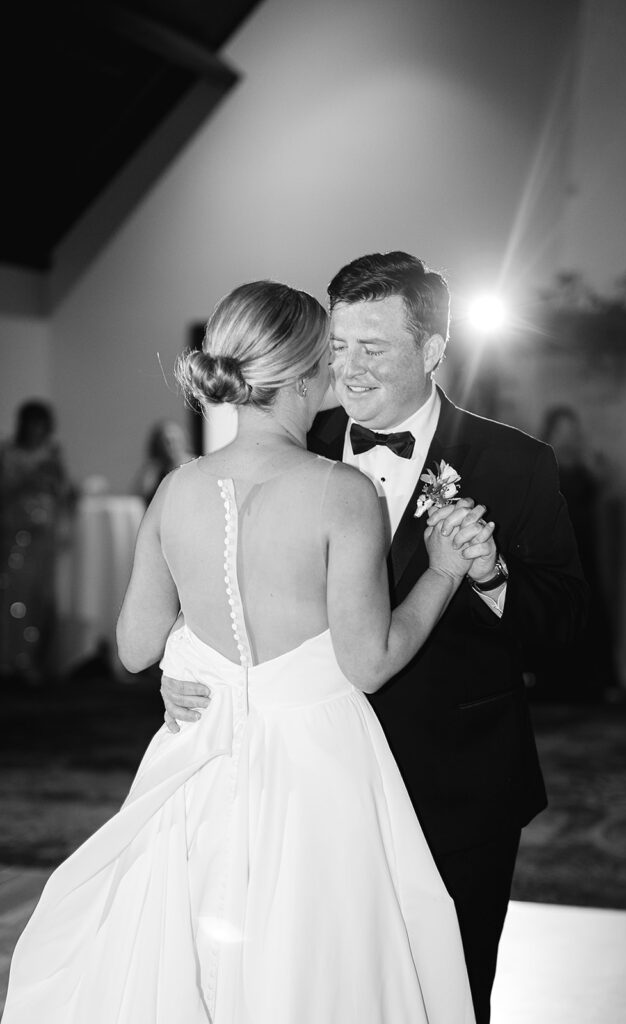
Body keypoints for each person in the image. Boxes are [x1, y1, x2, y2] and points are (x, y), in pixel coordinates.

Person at [2, 280, 484, 1023]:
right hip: (316, 764)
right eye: (327, 352)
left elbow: (133, 648)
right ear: (299, 375)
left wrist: (190, 662)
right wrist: (445, 575)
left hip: (200, 755)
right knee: (313, 958)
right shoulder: (341, 491)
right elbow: (370, 660)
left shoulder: (176, 489)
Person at [162, 252, 589, 1024]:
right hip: (309, 790)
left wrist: (492, 579)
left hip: (455, 791)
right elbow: (214, 571)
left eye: (373, 349)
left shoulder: (514, 464)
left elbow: (567, 633)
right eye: (336, 347)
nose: (346, 371)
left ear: (431, 351)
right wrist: (183, 659)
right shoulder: (290, 443)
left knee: (447, 1000)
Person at [533, 405, 622, 701]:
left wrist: (595, 467)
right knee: (555, 611)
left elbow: (603, 492)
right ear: (552, 431)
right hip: (555, 551)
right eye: (563, 429)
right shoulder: (542, 462)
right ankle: (553, 684)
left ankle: (594, 684)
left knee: (589, 611)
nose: (569, 435)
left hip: (585, 550)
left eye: (572, 429)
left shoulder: (585, 464)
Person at [0, 400, 74, 683]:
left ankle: (33, 660)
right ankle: (11, 660)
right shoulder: (8, 453)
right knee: (13, 598)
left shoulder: (52, 454)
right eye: (32, 423)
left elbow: (64, 492)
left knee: (40, 599)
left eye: (41, 423)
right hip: (15, 532)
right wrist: (30, 475)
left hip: (44, 534)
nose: (36, 429)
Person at [133, 419, 194, 505]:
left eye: (175, 440)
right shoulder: (153, 471)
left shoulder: (194, 467)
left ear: (183, 441)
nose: (172, 446)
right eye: (166, 442)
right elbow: (139, 497)